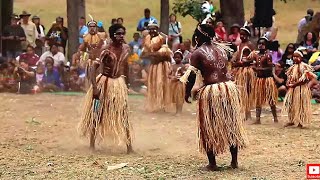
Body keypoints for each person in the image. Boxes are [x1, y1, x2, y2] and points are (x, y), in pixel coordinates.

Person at [180, 24, 247, 171]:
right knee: (231, 124)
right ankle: (234, 161)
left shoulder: (197, 53)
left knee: (208, 126)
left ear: (199, 36)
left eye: (196, 35)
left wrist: (187, 92)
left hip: (212, 91)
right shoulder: (221, 48)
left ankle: (212, 163)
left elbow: (191, 75)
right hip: (228, 88)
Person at [78, 24, 133, 153]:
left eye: (122, 33)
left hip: (119, 85)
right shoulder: (106, 49)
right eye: (118, 34)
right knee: (97, 113)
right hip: (104, 83)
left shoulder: (126, 48)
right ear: (112, 35)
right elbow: (93, 69)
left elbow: (126, 67)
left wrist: (127, 85)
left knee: (124, 114)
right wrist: (95, 88)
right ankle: (92, 145)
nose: (121, 36)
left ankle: (129, 147)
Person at [142, 20, 172, 112]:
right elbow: (143, 54)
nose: (152, 31)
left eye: (154, 29)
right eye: (150, 29)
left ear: (157, 29)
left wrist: (153, 54)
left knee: (162, 84)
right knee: (153, 85)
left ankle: (164, 105)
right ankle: (155, 105)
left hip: (163, 66)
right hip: (154, 66)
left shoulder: (162, 38)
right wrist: (152, 54)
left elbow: (165, 54)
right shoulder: (147, 38)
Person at [283, 50, 317, 128]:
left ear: (301, 58)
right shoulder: (292, 67)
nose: (295, 58)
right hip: (292, 88)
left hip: (301, 88)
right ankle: (291, 120)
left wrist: (294, 84)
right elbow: (289, 77)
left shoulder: (304, 66)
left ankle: (300, 122)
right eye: (294, 57)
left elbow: (304, 79)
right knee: (290, 104)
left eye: (297, 56)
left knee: (300, 105)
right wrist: (288, 83)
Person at [249, 37, 278, 124]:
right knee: (258, 99)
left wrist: (259, 69)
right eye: (259, 44)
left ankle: (275, 118)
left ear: (266, 45)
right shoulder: (256, 55)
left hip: (267, 80)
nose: (261, 45)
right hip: (259, 80)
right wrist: (254, 68)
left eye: (263, 44)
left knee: (271, 99)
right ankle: (257, 119)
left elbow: (270, 67)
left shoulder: (268, 55)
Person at [231, 26, 255, 120]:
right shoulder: (239, 45)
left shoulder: (250, 44)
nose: (242, 36)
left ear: (248, 35)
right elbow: (238, 58)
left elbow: (253, 57)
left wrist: (244, 62)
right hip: (239, 71)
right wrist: (234, 62)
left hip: (247, 71)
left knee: (247, 91)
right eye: (241, 34)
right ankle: (245, 113)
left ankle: (248, 114)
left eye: (244, 34)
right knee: (241, 92)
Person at [169, 50, 185, 115]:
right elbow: (168, 74)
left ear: (181, 58)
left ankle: (179, 111)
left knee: (179, 97)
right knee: (175, 97)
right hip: (174, 83)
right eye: (175, 57)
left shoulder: (182, 66)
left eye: (178, 57)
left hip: (180, 84)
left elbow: (185, 75)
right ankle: (177, 110)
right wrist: (171, 77)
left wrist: (181, 73)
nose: (177, 59)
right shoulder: (173, 66)